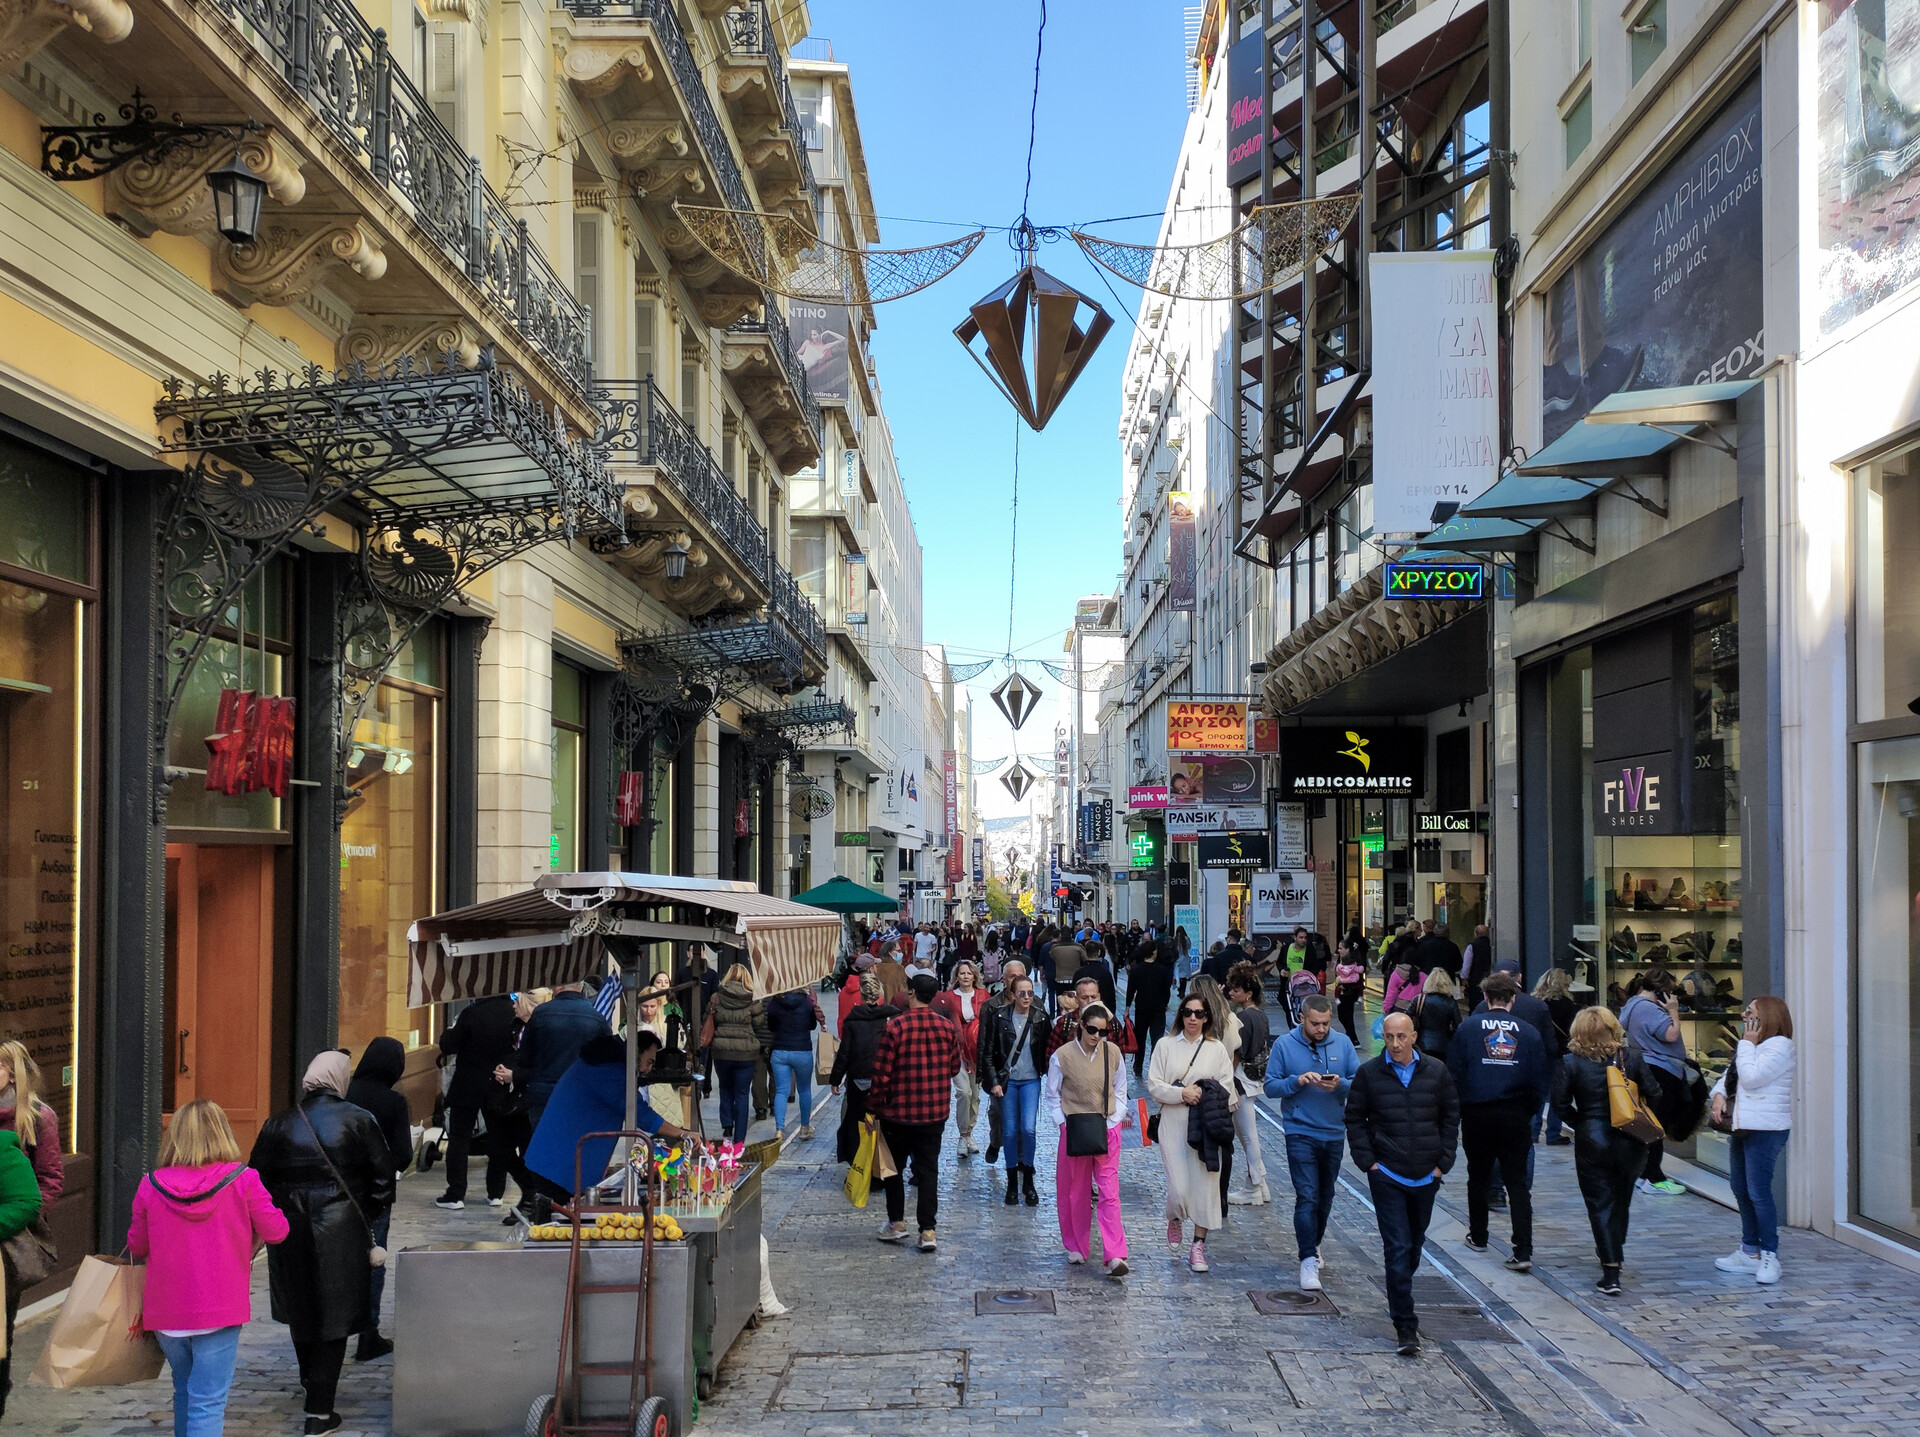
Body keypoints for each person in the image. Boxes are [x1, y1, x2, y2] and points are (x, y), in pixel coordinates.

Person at [249, 1052, 396, 1436]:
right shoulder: (359, 1119)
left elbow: (256, 1179)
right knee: (334, 1313)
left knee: (302, 1308)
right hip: (342, 1229)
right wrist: (362, 1214)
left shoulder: (279, 1123)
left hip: (288, 1228)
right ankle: (319, 1409)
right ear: (340, 1078)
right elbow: (384, 1180)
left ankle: (311, 1381)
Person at [129, 1099, 288, 1437]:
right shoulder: (244, 1180)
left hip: (167, 1313)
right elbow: (277, 1231)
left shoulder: (151, 1184)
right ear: (222, 1133)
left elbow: (138, 1246)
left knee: (184, 1391)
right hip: (220, 1308)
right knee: (208, 1402)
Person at [1345, 1012, 1460, 1357]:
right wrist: (1369, 1162)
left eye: (1401, 1037)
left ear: (1414, 1037)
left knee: (1413, 1245)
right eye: (1389, 1037)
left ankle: (1401, 1288)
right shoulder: (1369, 1073)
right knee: (1397, 1246)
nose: (1395, 1044)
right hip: (1388, 1174)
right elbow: (1355, 1117)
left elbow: (1450, 1116)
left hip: (1426, 1174)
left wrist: (1443, 1162)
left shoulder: (1436, 1072)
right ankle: (1405, 1325)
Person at [1446, 972, 1550, 1273]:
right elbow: (1539, 1080)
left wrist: (1460, 1109)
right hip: (1515, 1114)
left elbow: (1454, 1073)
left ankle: (1478, 1235)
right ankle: (1523, 1249)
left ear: (1485, 997)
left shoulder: (1468, 1028)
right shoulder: (1529, 1032)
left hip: (1477, 1113)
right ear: (1513, 999)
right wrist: (1528, 1111)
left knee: (1478, 1177)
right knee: (1517, 1183)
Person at [1555, 1006, 1664, 1295]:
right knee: (1621, 1200)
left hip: (1592, 1139)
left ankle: (1611, 1268)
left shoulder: (1571, 1062)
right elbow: (1655, 1092)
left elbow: (1560, 1105)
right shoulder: (1632, 1058)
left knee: (1599, 1204)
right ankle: (1615, 1250)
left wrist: (1582, 1123)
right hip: (1630, 1138)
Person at [521, 1033, 700, 1208]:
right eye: (649, 1062)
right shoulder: (608, 1071)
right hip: (557, 1166)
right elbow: (640, 1113)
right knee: (555, 1222)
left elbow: (633, 1086)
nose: (647, 1069)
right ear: (636, 1051)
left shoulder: (606, 1063)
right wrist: (682, 1134)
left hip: (557, 1161)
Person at [1264, 994, 1359, 1292]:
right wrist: (1297, 1081)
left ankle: (1314, 1243)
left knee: (1326, 1195)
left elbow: (1359, 1084)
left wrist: (1340, 1085)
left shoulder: (1343, 1043)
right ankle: (1307, 1258)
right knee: (1307, 1195)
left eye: (1326, 1023)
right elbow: (1270, 1086)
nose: (1321, 1029)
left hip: (1334, 1131)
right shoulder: (1284, 1045)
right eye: (1315, 1023)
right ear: (1302, 1018)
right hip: (1300, 1130)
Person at [870, 974, 962, 1251]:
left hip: (898, 1112)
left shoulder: (895, 1026)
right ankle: (928, 1231)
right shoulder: (946, 1027)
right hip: (933, 1112)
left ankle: (896, 1222)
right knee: (928, 1171)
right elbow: (954, 1067)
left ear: (911, 993)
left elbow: (882, 1074)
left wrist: (873, 1107)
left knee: (894, 1169)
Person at [1147, 990, 1237, 1273]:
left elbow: (1227, 1085)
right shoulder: (1165, 1045)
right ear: (1181, 1015)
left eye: (1199, 1013)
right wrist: (1180, 1093)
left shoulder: (1216, 1048)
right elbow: (1154, 1085)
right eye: (1188, 1012)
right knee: (1179, 1188)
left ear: (1206, 1017)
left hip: (1206, 1124)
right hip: (1173, 1122)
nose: (1193, 1018)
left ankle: (1198, 1245)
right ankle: (1174, 1216)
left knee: (1205, 1186)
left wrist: (1204, 1093)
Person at [1710, 995, 1795, 1286]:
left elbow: (1751, 1077)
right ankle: (1749, 1251)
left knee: (1759, 1192)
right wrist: (1718, 1094)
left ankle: (1770, 1255)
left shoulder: (1780, 1046)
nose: (1744, 1016)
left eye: (1751, 1013)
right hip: (1743, 1126)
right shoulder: (1754, 1046)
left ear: (1767, 1017)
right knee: (1740, 1188)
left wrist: (1746, 1043)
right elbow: (1730, 1075)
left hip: (1766, 1130)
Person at [1045, 1001, 1130, 1278]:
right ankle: (1076, 1245)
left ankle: (1115, 1254)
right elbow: (1052, 1093)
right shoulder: (1062, 1056)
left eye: (1103, 1032)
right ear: (1081, 1025)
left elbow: (1120, 1089)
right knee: (1074, 1190)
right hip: (1074, 1128)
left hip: (1106, 1127)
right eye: (1092, 1030)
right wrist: (1063, 1124)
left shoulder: (1112, 1053)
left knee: (1109, 1191)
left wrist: (1114, 1121)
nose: (1097, 1036)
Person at [0, 1037, 62, 1411]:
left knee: (1, 1324)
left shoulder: (37, 1116)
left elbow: (50, 1178)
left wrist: (27, 1218)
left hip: (12, 1238)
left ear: (12, 1073)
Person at [345, 1037, 413, 1361]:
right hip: (375, 1194)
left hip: (338, 1191)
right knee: (373, 1260)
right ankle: (367, 1336)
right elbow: (403, 1156)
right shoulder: (393, 1101)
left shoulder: (343, 1094)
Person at [433, 990, 529, 1211]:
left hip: (468, 1083)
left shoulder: (472, 1012)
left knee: (459, 1138)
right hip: (498, 1082)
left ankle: (456, 1193)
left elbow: (449, 1045)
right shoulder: (513, 1012)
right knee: (498, 1139)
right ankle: (496, 1192)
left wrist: (448, 1033)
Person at [981, 974, 1047, 1206]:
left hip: (1031, 1080)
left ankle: (1028, 1180)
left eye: (1030, 993)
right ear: (1012, 994)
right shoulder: (999, 1017)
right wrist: (993, 1081)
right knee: (1009, 1131)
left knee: (1028, 1129)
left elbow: (1049, 1049)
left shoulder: (1040, 1017)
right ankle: (1011, 1183)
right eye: (1022, 993)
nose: (1027, 997)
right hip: (1007, 1081)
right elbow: (988, 1051)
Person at [517, 979, 612, 1129]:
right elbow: (608, 1060)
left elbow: (524, 1058)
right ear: (580, 987)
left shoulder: (541, 1013)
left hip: (544, 1093)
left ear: (559, 986)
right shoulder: (596, 1017)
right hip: (581, 1093)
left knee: (545, 1140)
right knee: (577, 1140)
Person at [829, 974, 894, 1162]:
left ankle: (858, 1160)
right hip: (883, 1078)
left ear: (862, 995)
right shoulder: (889, 1018)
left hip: (858, 1077)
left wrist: (835, 1079)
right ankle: (881, 1161)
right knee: (883, 1121)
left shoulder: (853, 1020)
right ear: (879, 994)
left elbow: (845, 1052)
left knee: (856, 1120)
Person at [1224, 964, 1273, 1207]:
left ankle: (1254, 1186)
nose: (1232, 993)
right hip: (1253, 1079)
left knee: (1247, 1135)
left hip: (1240, 1080)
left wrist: (1226, 1079)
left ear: (1248, 993)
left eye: (1236, 989)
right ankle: (1260, 1185)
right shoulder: (1260, 1014)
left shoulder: (1243, 1018)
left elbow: (1237, 1053)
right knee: (1248, 1134)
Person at [706, 963, 771, 1143]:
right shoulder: (752, 999)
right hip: (745, 1054)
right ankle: (739, 1138)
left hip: (722, 1051)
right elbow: (759, 1023)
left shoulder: (717, 998)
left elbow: (708, 1019)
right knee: (742, 1094)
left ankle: (727, 1126)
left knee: (725, 1088)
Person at [930, 960, 987, 1156]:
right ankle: (963, 1134)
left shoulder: (983, 995)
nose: (965, 976)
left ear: (974, 976)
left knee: (976, 1095)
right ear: (956, 976)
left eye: (969, 973)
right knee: (964, 1092)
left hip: (976, 1051)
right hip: (956, 1050)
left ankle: (969, 1132)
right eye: (962, 973)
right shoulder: (948, 997)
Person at [977, 958, 1027, 1163]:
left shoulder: (1034, 1003)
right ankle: (996, 1141)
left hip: (1025, 1070)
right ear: (1003, 979)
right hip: (999, 1069)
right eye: (1012, 976)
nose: (1017, 980)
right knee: (998, 1111)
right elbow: (983, 1042)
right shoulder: (991, 1006)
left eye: (1020, 976)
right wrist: (984, 1074)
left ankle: (1021, 1157)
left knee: (1023, 1114)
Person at [765, 984, 824, 1139]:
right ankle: (805, 1127)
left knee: (781, 1091)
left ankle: (779, 1130)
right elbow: (812, 1025)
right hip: (802, 1050)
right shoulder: (807, 1001)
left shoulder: (775, 1002)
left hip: (780, 1051)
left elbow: (771, 1026)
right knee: (804, 1090)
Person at [1534, 968, 1581, 1143]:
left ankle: (1533, 1130)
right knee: (1557, 1094)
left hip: (1538, 1052)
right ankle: (1553, 1133)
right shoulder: (1569, 1006)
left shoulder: (1536, 1004)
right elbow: (1572, 1031)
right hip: (1560, 1052)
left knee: (1538, 1092)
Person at [1125, 938, 1174, 1079]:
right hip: (1158, 1009)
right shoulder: (1162, 970)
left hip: (1141, 1008)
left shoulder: (1136, 970)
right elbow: (1166, 990)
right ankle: (1155, 1067)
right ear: (1153, 952)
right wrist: (1165, 1003)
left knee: (1140, 1039)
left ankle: (1138, 1066)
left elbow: (1130, 990)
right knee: (1157, 1040)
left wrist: (1127, 1007)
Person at [1411, 968, 1462, 1058]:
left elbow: (1407, 1017)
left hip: (1421, 1042)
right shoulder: (1451, 1002)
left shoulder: (1420, 999)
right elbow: (1458, 1026)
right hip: (1443, 1044)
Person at [1333, 942, 1368, 1045]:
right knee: (1343, 1016)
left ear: (1347, 949)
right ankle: (1351, 1037)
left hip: (1348, 992)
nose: (1338, 950)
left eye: (1341, 948)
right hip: (1344, 990)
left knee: (1346, 1016)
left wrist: (1345, 985)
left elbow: (1356, 980)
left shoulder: (1353, 963)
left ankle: (1353, 1039)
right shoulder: (1342, 961)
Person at [1072, 941, 1118, 1014]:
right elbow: (1111, 997)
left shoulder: (1078, 973)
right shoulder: (1105, 973)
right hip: (1102, 1012)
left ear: (1085, 953)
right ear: (1099, 953)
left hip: (1082, 1012)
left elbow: (1074, 993)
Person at [1460, 924, 1493, 1012]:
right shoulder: (1493, 945)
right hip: (1491, 979)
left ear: (1476, 934)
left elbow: (1467, 965)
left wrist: (1464, 979)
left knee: (1474, 1005)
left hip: (1475, 980)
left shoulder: (1472, 946)